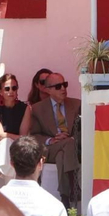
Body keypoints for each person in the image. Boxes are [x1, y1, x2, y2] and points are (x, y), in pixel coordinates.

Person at [28, 71, 81, 208]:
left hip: (71, 147)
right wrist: (50, 140)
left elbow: (83, 129)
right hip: (50, 148)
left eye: (64, 84)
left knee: (62, 154)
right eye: (58, 86)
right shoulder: (38, 109)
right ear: (48, 90)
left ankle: (65, 197)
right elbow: (34, 135)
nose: (63, 89)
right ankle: (74, 186)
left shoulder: (76, 105)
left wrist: (72, 137)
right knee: (64, 147)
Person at [0, 72, 29, 185]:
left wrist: (1, 139)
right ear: (0, 91)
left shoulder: (25, 109)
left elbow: (23, 138)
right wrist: (2, 139)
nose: (11, 91)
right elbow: (0, 134)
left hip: (16, 147)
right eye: (7, 88)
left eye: (14, 88)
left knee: (6, 143)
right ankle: (9, 190)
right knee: (5, 144)